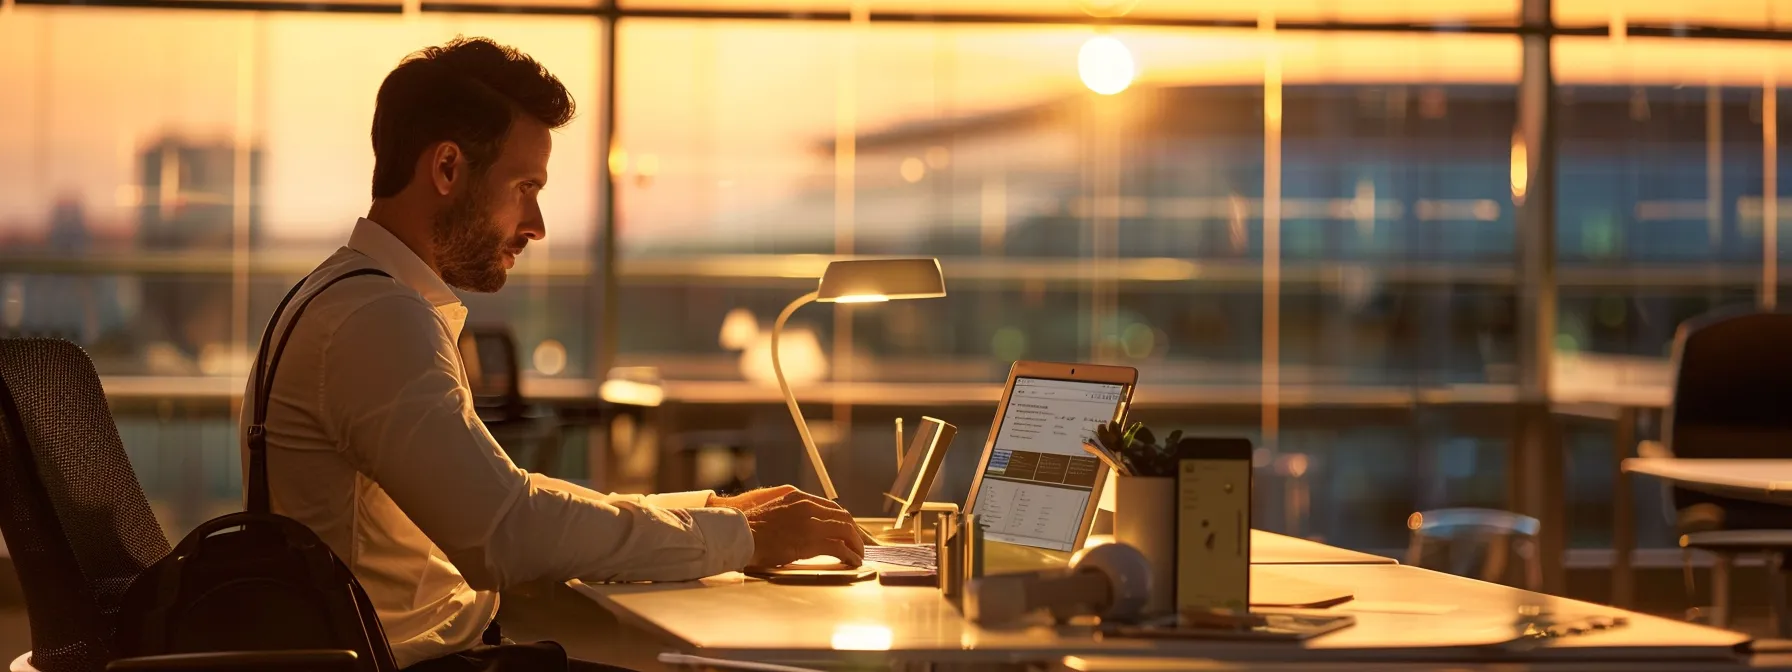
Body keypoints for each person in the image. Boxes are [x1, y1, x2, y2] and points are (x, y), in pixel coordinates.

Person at [240, 36, 864, 672]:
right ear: (448, 168)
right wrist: (742, 538)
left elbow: (508, 498)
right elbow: (504, 533)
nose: (536, 224)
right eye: (524, 186)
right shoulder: (377, 320)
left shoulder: (340, 295)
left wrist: (711, 512)